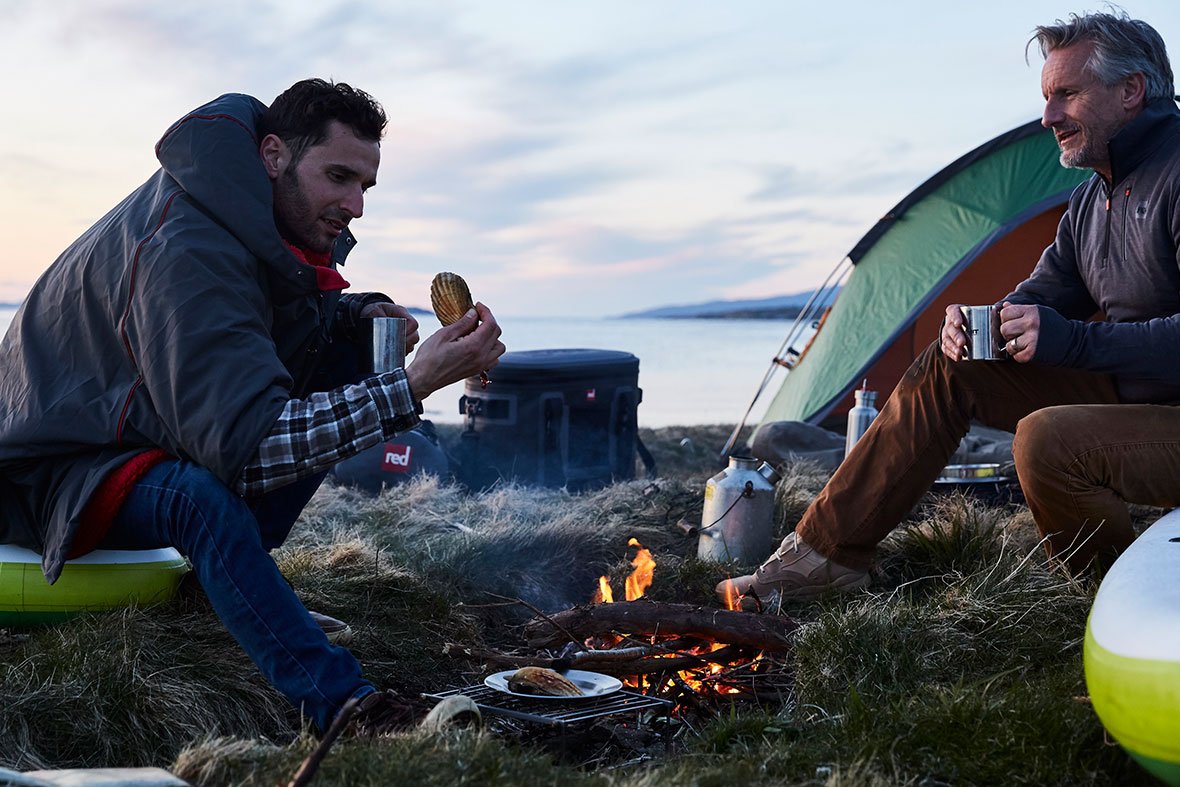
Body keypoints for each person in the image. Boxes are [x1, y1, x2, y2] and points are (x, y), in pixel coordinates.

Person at [0, 79, 504, 734]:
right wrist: (412, 386)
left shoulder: (246, 216)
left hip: (133, 424)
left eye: (365, 186)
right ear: (273, 155)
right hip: (52, 465)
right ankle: (345, 707)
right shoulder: (188, 249)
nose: (354, 205)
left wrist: (357, 316)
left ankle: (232, 580)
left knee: (346, 344)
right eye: (339, 176)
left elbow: (249, 334)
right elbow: (250, 448)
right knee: (197, 500)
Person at [718, 11, 1180, 607]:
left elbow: (1082, 339)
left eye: (1067, 94)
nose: (1048, 117)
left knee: (1048, 440)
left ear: (1131, 90)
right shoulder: (1093, 198)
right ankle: (826, 558)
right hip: (1135, 397)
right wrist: (984, 324)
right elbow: (1043, 293)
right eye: (1046, 97)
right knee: (950, 361)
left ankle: (1126, 604)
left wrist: (1075, 343)